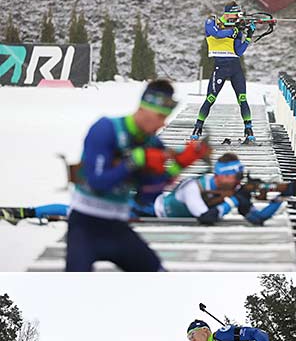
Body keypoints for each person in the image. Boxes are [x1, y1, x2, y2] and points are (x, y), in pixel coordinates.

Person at [65, 79, 210, 271]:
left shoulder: (152, 143)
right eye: (160, 116)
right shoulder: (106, 128)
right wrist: (135, 161)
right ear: (143, 108)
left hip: (118, 226)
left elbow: (147, 195)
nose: (163, 123)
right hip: (85, 225)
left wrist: (180, 164)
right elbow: (97, 182)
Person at [151, 152, 296, 225]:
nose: (239, 181)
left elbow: (258, 219)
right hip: (151, 211)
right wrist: (233, 201)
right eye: (236, 176)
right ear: (222, 176)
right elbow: (206, 218)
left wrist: (281, 197)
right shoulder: (193, 187)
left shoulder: (232, 191)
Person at [191, 2, 256, 143]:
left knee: (242, 99)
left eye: (239, 14)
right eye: (235, 14)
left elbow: (238, 51)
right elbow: (216, 33)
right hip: (219, 67)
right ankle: (197, 128)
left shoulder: (236, 29)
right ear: (227, 14)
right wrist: (232, 31)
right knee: (210, 98)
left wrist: (248, 36)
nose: (238, 17)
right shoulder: (213, 21)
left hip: (235, 67)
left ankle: (249, 129)